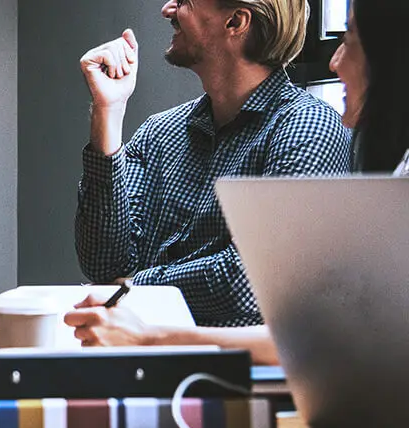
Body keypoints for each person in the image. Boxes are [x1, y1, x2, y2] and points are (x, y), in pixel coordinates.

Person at [66, 0, 409, 365]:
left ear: (235, 21)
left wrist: (131, 288)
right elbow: (102, 263)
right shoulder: (159, 133)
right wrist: (108, 113)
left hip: (239, 381)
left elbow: (251, 285)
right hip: (141, 364)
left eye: (184, 2)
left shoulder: (308, 127)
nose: (168, 9)